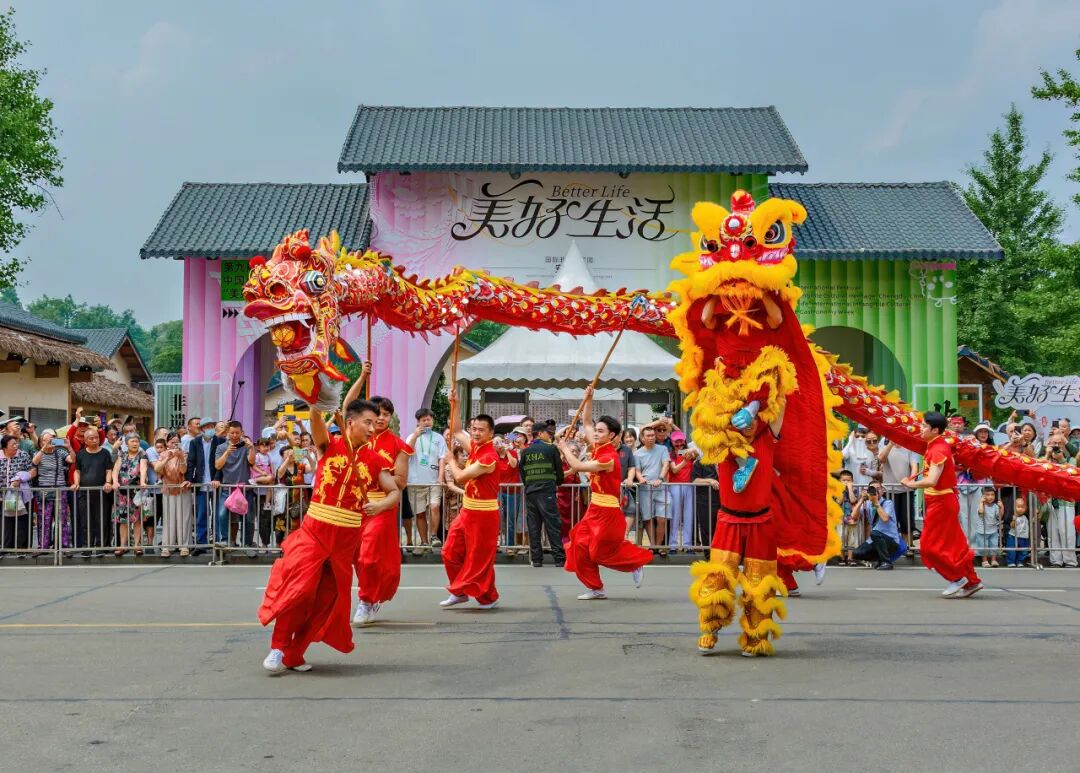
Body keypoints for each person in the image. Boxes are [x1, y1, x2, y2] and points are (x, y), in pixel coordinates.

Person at [259, 396, 398, 673]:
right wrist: (315, 400)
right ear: (350, 422)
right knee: (299, 590)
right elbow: (315, 422)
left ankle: (295, 654)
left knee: (326, 601)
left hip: (346, 540)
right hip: (315, 532)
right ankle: (278, 647)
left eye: (376, 422)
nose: (373, 428)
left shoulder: (373, 459)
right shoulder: (329, 446)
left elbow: (394, 491)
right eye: (367, 422)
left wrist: (380, 504)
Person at [692, 398, 787, 657]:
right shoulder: (722, 440)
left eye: (751, 416)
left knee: (759, 582)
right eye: (738, 413)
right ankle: (709, 630)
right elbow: (706, 413)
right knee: (717, 578)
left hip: (761, 521)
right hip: (729, 520)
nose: (746, 422)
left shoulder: (768, 434)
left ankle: (756, 636)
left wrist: (756, 404)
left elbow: (781, 395)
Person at [556, 388, 652, 599]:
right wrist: (588, 398)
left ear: (612, 436)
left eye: (601, 431)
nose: (596, 433)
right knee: (578, 546)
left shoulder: (608, 458)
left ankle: (635, 563)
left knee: (598, 552)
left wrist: (564, 447)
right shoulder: (598, 447)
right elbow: (587, 422)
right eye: (597, 430)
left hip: (608, 512)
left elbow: (578, 466)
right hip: (594, 509)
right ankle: (596, 587)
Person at [902, 412, 982, 597]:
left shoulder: (938, 449)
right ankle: (971, 582)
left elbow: (932, 480)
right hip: (941, 501)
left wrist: (911, 484)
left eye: (924, 426)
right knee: (956, 545)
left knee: (929, 547)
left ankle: (956, 578)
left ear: (935, 430)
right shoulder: (936, 446)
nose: (921, 429)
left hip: (941, 502)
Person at [354, 388, 413, 626]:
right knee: (359, 557)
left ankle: (366, 600)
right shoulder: (357, 440)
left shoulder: (398, 445)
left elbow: (400, 482)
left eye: (386, 414)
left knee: (369, 556)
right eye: (377, 413)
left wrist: (379, 470)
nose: (380, 418)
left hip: (383, 504)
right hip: (356, 504)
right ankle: (371, 594)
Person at [440, 399, 501, 610]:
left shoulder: (489, 457)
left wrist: (450, 461)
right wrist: (455, 403)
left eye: (480, 430)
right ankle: (459, 591)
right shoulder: (476, 448)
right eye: (474, 429)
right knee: (449, 551)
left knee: (479, 559)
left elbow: (461, 477)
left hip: (484, 515)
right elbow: (456, 430)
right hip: (468, 511)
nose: (475, 433)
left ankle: (488, 598)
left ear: (490, 433)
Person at [518, 419, 564, 568]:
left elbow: (522, 471)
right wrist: (557, 482)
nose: (549, 435)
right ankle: (559, 559)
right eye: (547, 433)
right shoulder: (551, 449)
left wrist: (530, 484)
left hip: (531, 492)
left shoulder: (526, 451)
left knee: (533, 526)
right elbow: (559, 471)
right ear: (540, 433)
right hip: (547, 492)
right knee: (553, 525)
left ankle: (536, 559)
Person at [214, 421, 262, 555]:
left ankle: (247, 544)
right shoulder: (221, 447)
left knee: (248, 518)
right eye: (232, 433)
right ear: (228, 433)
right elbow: (218, 466)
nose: (235, 435)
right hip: (227, 489)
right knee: (222, 514)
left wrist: (252, 448)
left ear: (242, 432)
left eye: (237, 433)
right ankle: (224, 540)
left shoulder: (246, 446)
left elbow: (251, 462)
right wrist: (227, 453)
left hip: (245, 488)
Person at [405, 408, 448, 549]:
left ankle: (434, 536)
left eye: (429, 419)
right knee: (420, 513)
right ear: (418, 422)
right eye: (423, 420)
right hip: (415, 482)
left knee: (435, 507)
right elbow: (406, 452)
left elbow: (442, 459)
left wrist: (441, 478)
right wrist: (415, 436)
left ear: (433, 421)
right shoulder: (412, 437)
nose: (427, 422)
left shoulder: (439, 438)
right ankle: (424, 541)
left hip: (434, 481)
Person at [184, 417, 222, 555]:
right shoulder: (195, 442)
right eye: (207, 427)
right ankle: (201, 543)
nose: (210, 429)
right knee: (202, 515)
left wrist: (217, 478)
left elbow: (221, 464)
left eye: (212, 426)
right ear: (202, 429)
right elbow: (191, 462)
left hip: (216, 484)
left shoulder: (221, 441)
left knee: (218, 514)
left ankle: (219, 543)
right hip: (201, 484)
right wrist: (189, 479)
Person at [72, 427, 112, 556]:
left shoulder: (105, 453)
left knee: (102, 519)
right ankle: (87, 547)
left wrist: (108, 482)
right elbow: (77, 471)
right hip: (84, 492)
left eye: (97, 438)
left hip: (102, 492)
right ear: (85, 440)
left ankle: (101, 546)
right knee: (85, 520)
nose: (95, 440)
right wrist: (76, 483)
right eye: (91, 438)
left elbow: (108, 470)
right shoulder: (81, 454)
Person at [32, 430, 73, 552]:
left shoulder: (60, 452)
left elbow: (72, 460)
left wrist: (69, 447)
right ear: (41, 442)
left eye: (53, 439)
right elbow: (34, 462)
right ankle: (43, 547)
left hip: (60, 489)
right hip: (44, 490)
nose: (51, 441)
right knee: (44, 520)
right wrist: (44, 448)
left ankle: (63, 546)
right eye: (47, 439)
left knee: (62, 519)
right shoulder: (38, 453)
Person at [633, 426, 670, 555]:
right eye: (647, 436)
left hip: (662, 488)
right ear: (642, 438)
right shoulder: (637, 453)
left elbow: (666, 464)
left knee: (662, 518)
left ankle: (659, 546)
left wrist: (660, 478)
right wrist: (640, 478)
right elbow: (637, 470)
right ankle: (653, 546)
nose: (650, 438)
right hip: (645, 489)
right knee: (648, 518)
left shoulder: (663, 449)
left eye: (652, 435)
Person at [111, 434, 148, 557]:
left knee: (137, 519)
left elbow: (143, 468)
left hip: (136, 492)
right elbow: (115, 469)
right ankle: (123, 545)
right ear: (127, 443)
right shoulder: (122, 455)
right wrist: (115, 481)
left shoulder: (142, 455)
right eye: (132, 441)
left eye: (137, 441)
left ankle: (137, 545)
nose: (135, 443)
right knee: (123, 520)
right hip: (121, 492)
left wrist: (142, 481)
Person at [154, 433, 191, 557]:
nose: (174, 444)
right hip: (168, 489)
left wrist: (180, 457)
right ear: (167, 443)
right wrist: (167, 458)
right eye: (172, 442)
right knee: (169, 518)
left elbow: (183, 471)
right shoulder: (163, 454)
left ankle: (184, 545)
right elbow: (157, 469)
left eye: (177, 442)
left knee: (183, 518)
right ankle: (167, 546)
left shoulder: (184, 453)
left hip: (182, 489)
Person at [850, 484, 901, 570]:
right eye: (872, 490)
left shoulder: (887, 503)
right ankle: (880, 560)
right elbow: (853, 516)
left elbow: (885, 518)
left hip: (891, 541)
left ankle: (886, 562)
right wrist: (862, 499)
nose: (875, 492)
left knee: (875, 533)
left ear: (882, 491)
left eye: (878, 489)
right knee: (856, 553)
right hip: (876, 539)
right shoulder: (868, 504)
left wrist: (876, 503)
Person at [0, 434, 33, 553]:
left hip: (21, 495)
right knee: (6, 523)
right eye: (12, 444)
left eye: (16, 443)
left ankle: (21, 549)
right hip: (3, 496)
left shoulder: (23, 455)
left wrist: (22, 478)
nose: (16, 446)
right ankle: (5, 548)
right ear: (4, 447)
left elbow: (32, 470)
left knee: (22, 522)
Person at [667, 431, 695, 552]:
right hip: (675, 486)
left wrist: (691, 453)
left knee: (689, 515)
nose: (679, 444)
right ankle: (672, 545)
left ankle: (687, 545)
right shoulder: (671, 454)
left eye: (680, 441)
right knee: (675, 516)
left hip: (689, 485)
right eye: (676, 441)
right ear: (672, 442)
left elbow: (697, 454)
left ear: (684, 441)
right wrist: (685, 460)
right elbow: (674, 470)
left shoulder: (689, 451)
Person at [689, 451, 719, 554]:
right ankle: (709, 554)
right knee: (707, 528)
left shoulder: (725, 462)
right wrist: (710, 481)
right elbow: (694, 480)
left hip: (723, 502)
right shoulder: (700, 462)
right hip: (705, 501)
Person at [973, 487, 1002, 568]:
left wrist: (1001, 507)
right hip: (982, 530)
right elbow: (981, 513)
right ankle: (984, 560)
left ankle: (993, 560)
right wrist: (981, 502)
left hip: (993, 530)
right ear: (983, 496)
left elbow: (999, 516)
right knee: (983, 546)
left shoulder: (995, 506)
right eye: (987, 495)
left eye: (992, 494)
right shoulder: (981, 505)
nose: (990, 497)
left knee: (994, 545)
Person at [1005, 498, 1030, 567]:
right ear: (1014, 507)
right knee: (1011, 550)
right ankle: (1011, 562)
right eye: (1018, 507)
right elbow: (1012, 526)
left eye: (1023, 507)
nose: (1021, 509)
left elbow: (1033, 520)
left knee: (1023, 550)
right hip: (1013, 535)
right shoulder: (1013, 515)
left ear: (1026, 508)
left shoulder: (1026, 516)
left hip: (1024, 536)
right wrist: (1014, 520)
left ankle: (1020, 561)